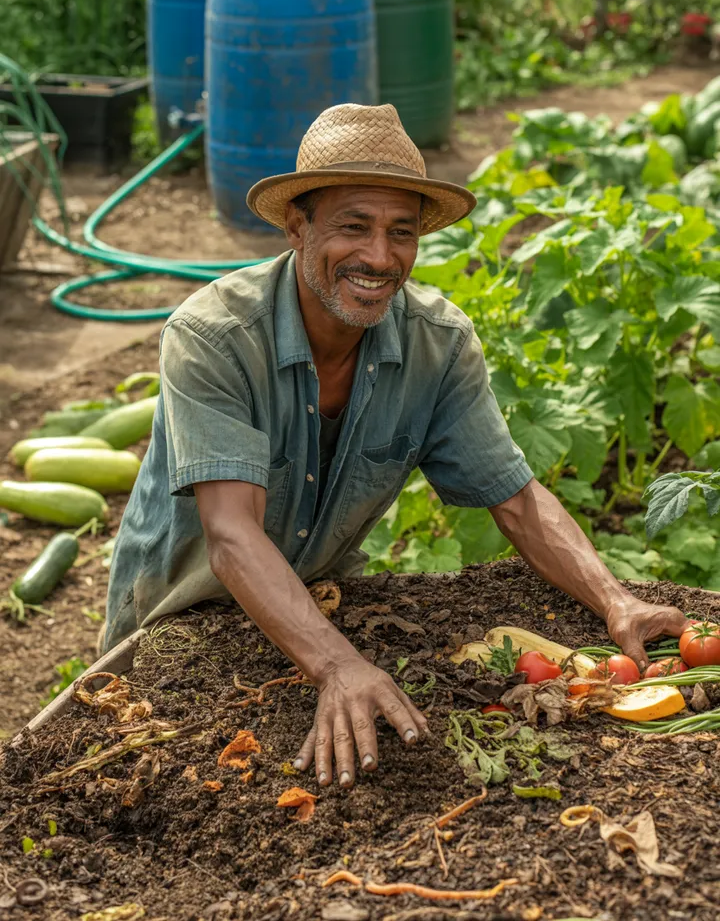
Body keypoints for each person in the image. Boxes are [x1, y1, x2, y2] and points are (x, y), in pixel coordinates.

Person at [104, 102, 687, 787]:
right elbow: (231, 535)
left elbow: (516, 499)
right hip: (181, 629)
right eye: (354, 227)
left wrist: (614, 599)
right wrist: (339, 665)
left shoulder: (435, 345)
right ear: (298, 224)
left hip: (316, 610)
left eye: (400, 233)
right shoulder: (215, 338)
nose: (379, 258)